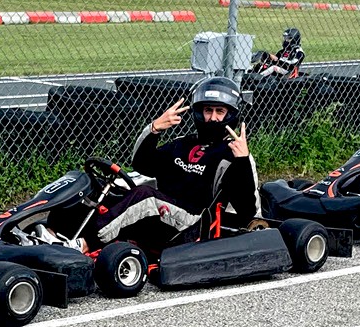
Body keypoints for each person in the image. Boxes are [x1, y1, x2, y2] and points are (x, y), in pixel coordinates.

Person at [93, 76, 258, 245]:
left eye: (220, 111)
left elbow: (247, 210)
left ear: (230, 114)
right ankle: (71, 234)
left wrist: (242, 162)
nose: (213, 117)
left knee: (144, 196)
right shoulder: (183, 143)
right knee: (101, 187)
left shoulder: (234, 154)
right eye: (208, 110)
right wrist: (154, 130)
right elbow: (143, 165)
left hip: (195, 222)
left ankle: (88, 243)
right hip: (166, 214)